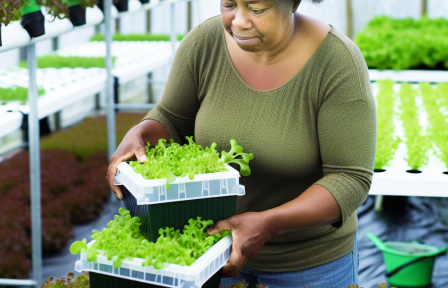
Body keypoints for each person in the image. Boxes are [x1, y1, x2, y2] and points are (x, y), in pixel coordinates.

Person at [107, 0, 377, 287]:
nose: (239, 21)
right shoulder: (205, 42)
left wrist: (269, 223)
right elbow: (171, 120)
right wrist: (140, 134)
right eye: (229, 4)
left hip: (306, 266)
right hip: (210, 254)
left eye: (256, 8)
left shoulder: (337, 61)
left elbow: (349, 178)